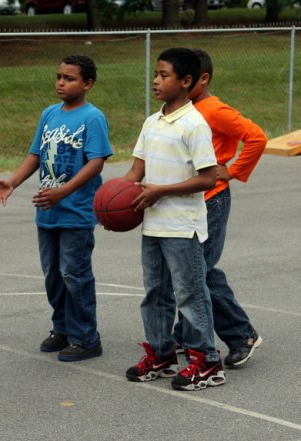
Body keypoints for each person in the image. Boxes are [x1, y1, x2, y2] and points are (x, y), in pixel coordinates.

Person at [0, 54, 113, 362]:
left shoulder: (92, 117)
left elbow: (96, 161)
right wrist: (13, 182)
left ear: (87, 84)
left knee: (75, 273)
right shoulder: (49, 114)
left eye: (69, 78)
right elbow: (35, 154)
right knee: (53, 276)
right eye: (58, 76)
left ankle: (86, 336)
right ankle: (62, 328)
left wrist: (63, 192)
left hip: (76, 211)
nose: (61, 82)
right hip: (48, 210)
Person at [123, 48, 226, 391]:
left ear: (186, 81)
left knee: (190, 294)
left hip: (182, 226)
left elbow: (208, 178)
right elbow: (136, 171)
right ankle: (161, 354)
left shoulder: (194, 123)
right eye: (155, 74)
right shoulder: (152, 122)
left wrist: (161, 191)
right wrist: (112, 201)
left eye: (163, 75)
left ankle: (206, 361)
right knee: (155, 293)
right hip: (152, 223)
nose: (156, 80)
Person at [172, 48, 266, 367]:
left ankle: (242, 334)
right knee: (192, 269)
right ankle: (187, 333)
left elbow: (256, 137)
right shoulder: (184, 110)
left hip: (212, 199)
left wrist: (233, 170)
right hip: (189, 199)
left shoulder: (214, 109)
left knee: (202, 270)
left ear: (202, 79)